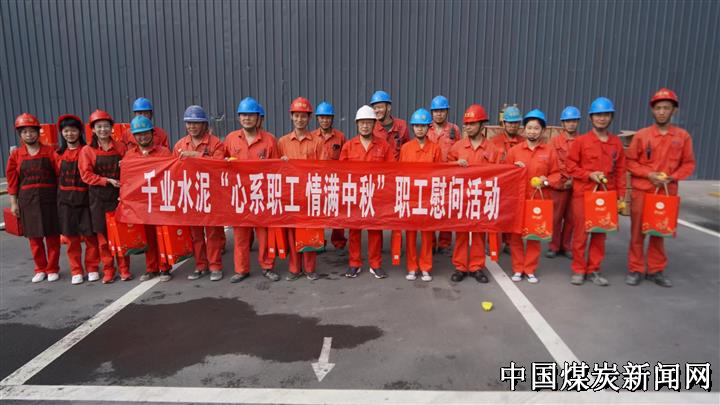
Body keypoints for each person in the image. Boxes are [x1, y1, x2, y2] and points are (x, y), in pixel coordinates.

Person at [625, 88, 696, 287]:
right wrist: (649, 174)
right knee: (637, 232)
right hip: (643, 190)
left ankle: (656, 270)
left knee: (659, 232)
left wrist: (672, 177)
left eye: (666, 107)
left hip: (666, 191)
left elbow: (688, 164)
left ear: (674, 110)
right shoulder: (642, 135)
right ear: (652, 110)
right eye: (658, 108)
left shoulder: (682, 137)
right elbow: (630, 162)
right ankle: (636, 268)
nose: (662, 112)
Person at [566, 97, 627, 286]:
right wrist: (588, 175)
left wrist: (621, 197)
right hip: (583, 195)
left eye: (606, 115)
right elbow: (570, 166)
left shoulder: (616, 144)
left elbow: (620, 171)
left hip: (606, 195)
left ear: (611, 117)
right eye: (598, 115)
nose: (602, 118)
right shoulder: (581, 142)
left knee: (600, 234)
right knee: (581, 234)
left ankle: (594, 269)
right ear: (591, 118)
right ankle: (578, 269)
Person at [224, 97, 281, 282]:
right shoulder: (231, 139)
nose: (247, 118)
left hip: (261, 195)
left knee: (264, 235)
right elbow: (220, 165)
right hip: (239, 195)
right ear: (239, 117)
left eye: (251, 115)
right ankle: (241, 270)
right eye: (243, 115)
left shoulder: (269, 140)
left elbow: (277, 169)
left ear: (258, 117)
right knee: (240, 236)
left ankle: (267, 266)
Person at [505, 109, 561, 283]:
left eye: (536, 128)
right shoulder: (514, 151)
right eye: (529, 128)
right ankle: (517, 268)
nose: (532, 131)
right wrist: (514, 169)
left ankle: (529, 269)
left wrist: (546, 181)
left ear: (542, 130)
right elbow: (505, 174)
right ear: (524, 129)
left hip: (539, 200)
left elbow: (557, 174)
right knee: (516, 235)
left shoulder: (549, 151)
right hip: (518, 200)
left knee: (535, 235)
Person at [340, 105, 395, 279]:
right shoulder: (349, 146)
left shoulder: (384, 146)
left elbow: (391, 170)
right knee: (354, 231)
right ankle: (354, 263)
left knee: (375, 231)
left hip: (375, 195)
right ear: (357, 124)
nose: (365, 126)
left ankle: (375, 264)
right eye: (362, 122)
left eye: (368, 122)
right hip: (355, 195)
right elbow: (341, 173)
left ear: (374, 124)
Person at [447, 104, 499, 283]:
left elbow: (500, 172)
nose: (468, 127)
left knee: (479, 233)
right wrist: (455, 165)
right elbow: (446, 169)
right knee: (461, 232)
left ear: (482, 125)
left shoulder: (492, 149)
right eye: (466, 124)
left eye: (472, 124)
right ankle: (460, 266)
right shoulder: (457, 147)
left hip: (482, 197)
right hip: (462, 197)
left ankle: (477, 267)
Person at [174, 105, 226, 281]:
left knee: (213, 233)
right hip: (190, 195)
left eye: (196, 123)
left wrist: (194, 156)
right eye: (189, 123)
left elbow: (219, 165)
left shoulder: (216, 143)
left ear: (204, 124)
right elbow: (173, 169)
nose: (192, 126)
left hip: (211, 194)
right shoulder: (180, 145)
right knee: (195, 234)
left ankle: (215, 266)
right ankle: (200, 266)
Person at [7, 113, 61, 283]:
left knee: (52, 237)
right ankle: (40, 268)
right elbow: (12, 181)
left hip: (49, 200)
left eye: (32, 131)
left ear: (38, 132)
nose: (29, 135)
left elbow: (59, 174)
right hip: (27, 201)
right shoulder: (16, 155)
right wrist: (14, 203)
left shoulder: (50, 152)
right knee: (34, 238)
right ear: (20, 135)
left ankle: (52, 268)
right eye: (25, 132)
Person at [79, 109, 131, 283]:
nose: (103, 130)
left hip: (119, 197)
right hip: (98, 199)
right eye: (99, 127)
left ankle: (124, 269)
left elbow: (130, 168)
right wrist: (106, 180)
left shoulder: (121, 147)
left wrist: (125, 166)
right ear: (93, 129)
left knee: (121, 235)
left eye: (106, 126)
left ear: (111, 128)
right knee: (103, 239)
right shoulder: (87, 150)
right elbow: (86, 175)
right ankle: (108, 270)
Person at [278, 97, 325, 280]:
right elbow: (276, 170)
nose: (300, 119)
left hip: (310, 194)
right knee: (291, 232)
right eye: (296, 115)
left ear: (309, 118)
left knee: (310, 230)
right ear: (291, 116)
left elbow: (323, 168)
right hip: (290, 195)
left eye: (303, 116)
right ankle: (294, 269)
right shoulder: (282, 142)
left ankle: (310, 269)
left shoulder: (317, 142)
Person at [124, 116, 173, 282]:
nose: (142, 137)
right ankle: (151, 268)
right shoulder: (129, 155)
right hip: (142, 202)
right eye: (138, 134)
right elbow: (128, 180)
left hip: (160, 200)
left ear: (152, 133)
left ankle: (165, 268)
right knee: (147, 236)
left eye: (145, 133)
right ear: (133, 136)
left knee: (162, 234)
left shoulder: (164, 152)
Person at [55, 114, 100, 285]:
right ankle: (76, 270)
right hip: (66, 202)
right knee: (72, 239)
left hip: (86, 200)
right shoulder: (58, 154)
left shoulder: (87, 151)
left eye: (73, 130)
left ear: (80, 131)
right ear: (62, 133)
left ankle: (92, 267)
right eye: (66, 131)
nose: (70, 134)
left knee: (90, 237)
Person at [399, 108, 441, 282]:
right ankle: (411, 267)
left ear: (428, 127)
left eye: (423, 126)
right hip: (411, 197)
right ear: (413, 127)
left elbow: (440, 173)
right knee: (410, 234)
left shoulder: (435, 149)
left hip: (428, 197)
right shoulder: (406, 148)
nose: (420, 129)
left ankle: (425, 267)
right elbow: (401, 173)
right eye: (417, 126)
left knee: (427, 234)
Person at [311, 101, 347, 250]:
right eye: (322, 117)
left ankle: (339, 242)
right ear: (317, 118)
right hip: (317, 180)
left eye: (328, 117)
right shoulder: (311, 136)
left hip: (335, 181)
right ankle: (318, 242)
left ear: (332, 118)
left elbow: (345, 159)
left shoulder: (340, 137)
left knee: (337, 212)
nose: (325, 120)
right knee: (317, 212)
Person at [546, 106, 581, 259]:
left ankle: (566, 246)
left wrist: (573, 179)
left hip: (576, 185)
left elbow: (583, 163)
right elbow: (552, 162)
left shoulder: (582, 141)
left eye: (574, 121)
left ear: (578, 122)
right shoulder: (554, 142)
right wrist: (563, 179)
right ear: (563, 123)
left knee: (571, 218)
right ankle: (553, 246)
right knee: (555, 217)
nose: (571, 124)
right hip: (559, 185)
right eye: (568, 121)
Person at [427, 95, 460, 254]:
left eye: (442, 111)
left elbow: (460, 148)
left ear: (447, 112)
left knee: (447, 209)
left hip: (449, 175)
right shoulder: (426, 128)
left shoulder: (454, 130)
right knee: (430, 209)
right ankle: (431, 242)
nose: (439, 114)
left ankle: (444, 243)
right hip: (430, 175)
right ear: (431, 113)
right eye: (436, 111)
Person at [492, 105, 523, 253]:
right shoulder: (494, 142)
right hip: (499, 185)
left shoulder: (524, 143)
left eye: (515, 122)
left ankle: (510, 243)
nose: (512, 125)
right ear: (503, 123)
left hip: (516, 187)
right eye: (509, 122)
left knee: (513, 215)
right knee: (496, 215)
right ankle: (494, 244)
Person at [370, 90, 409, 160]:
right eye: (375, 108)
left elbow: (407, 149)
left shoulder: (402, 125)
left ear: (388, 107)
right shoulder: (372, 128)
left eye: (380, 107)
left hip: (398, 166)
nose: (377, 110)